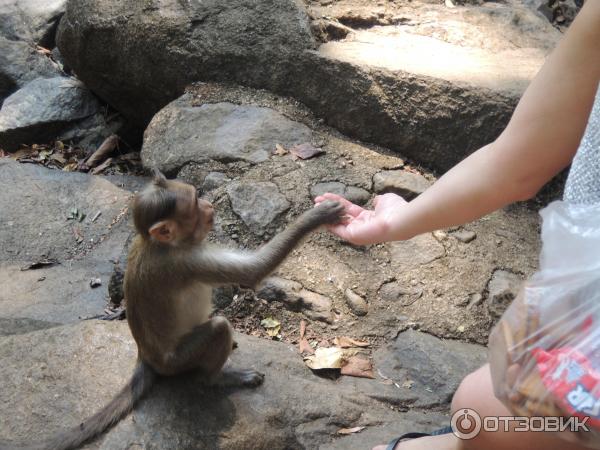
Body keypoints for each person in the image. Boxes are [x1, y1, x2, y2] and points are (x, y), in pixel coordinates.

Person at [315, 0, 600, 448]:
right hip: (578, 313)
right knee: (482, 412)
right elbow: (517, 161)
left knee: (482, 409)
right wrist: (398, 221)